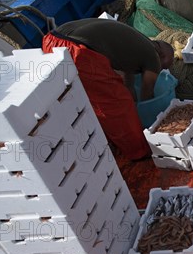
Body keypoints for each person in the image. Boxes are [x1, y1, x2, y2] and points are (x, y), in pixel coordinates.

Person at [42, 18, 174, 160]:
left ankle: (112, 139)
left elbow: (128, 83)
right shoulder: (153, 57)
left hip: (52, 40)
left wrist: (134, 105)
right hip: (76, 51)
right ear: (162, 56)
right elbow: (147, 92)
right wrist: (148, 120)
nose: (161, 70)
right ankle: (139, 153)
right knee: (116, 105)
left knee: (96, 97)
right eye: (164, 67)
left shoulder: (136, 44)